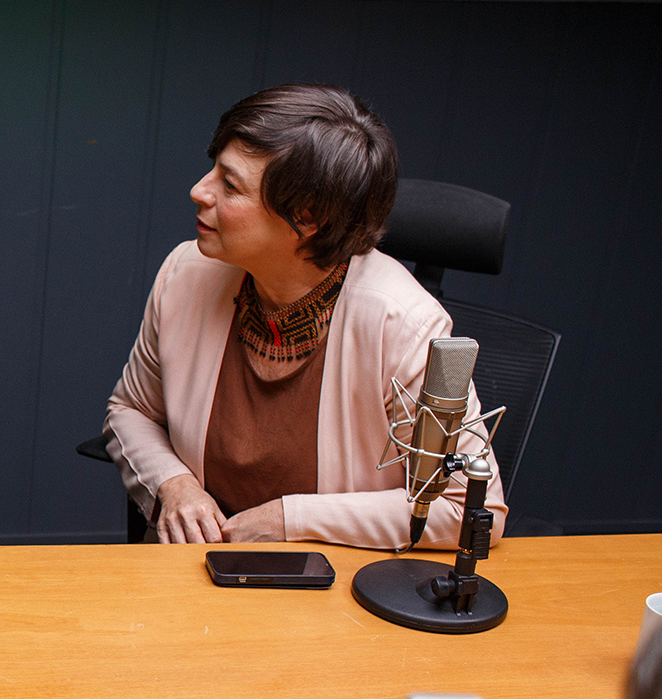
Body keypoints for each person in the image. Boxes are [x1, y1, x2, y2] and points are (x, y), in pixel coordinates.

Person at [103, 84, 506, 549]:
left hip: (334, 582)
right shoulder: (186, 273)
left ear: (307, 218)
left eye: (230, 185)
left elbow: (467, 508)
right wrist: (173, 484)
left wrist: (290, 520)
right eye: (214, 169)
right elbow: (131, 410)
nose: (199, 190)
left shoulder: (403, 325)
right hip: (190, 571)